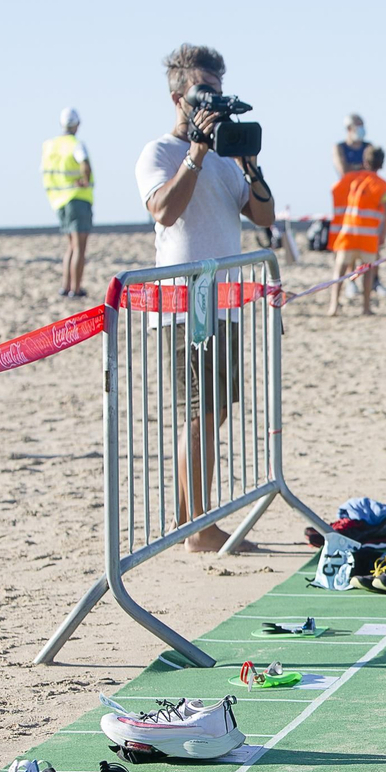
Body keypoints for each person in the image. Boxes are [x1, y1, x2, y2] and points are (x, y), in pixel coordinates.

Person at [135, 43, 276, 553]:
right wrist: (194, 151)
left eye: (218, 91)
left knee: (213, 412)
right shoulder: (159, 152)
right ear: (179, 97)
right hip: (182, 308)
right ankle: (197, 528)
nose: (214, 103)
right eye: (204, 94)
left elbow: (263, 217)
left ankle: (198, 520)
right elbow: (163, 211)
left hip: (222, 304)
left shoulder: (224, 159)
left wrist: (250, 166)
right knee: (198, 412)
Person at [327, 145, 386, 317]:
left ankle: (334, 305)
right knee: (368, 273)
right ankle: (365, 307)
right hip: (368, 237)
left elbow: (335, 190)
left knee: (339, 270)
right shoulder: (383, 186)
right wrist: (382, 235)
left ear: (365, 161)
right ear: (382, 164)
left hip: (348, 234)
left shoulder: (353, 180)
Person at [43, 107, 95, 297]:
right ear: (77, 124)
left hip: (58, 200)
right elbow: (85, 166)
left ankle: (65, 286)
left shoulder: (50, 146)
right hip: (77, 198)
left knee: (71, 246)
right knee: (79, 247)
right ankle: (76, 288)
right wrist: (84, 179)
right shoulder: (75, 144)